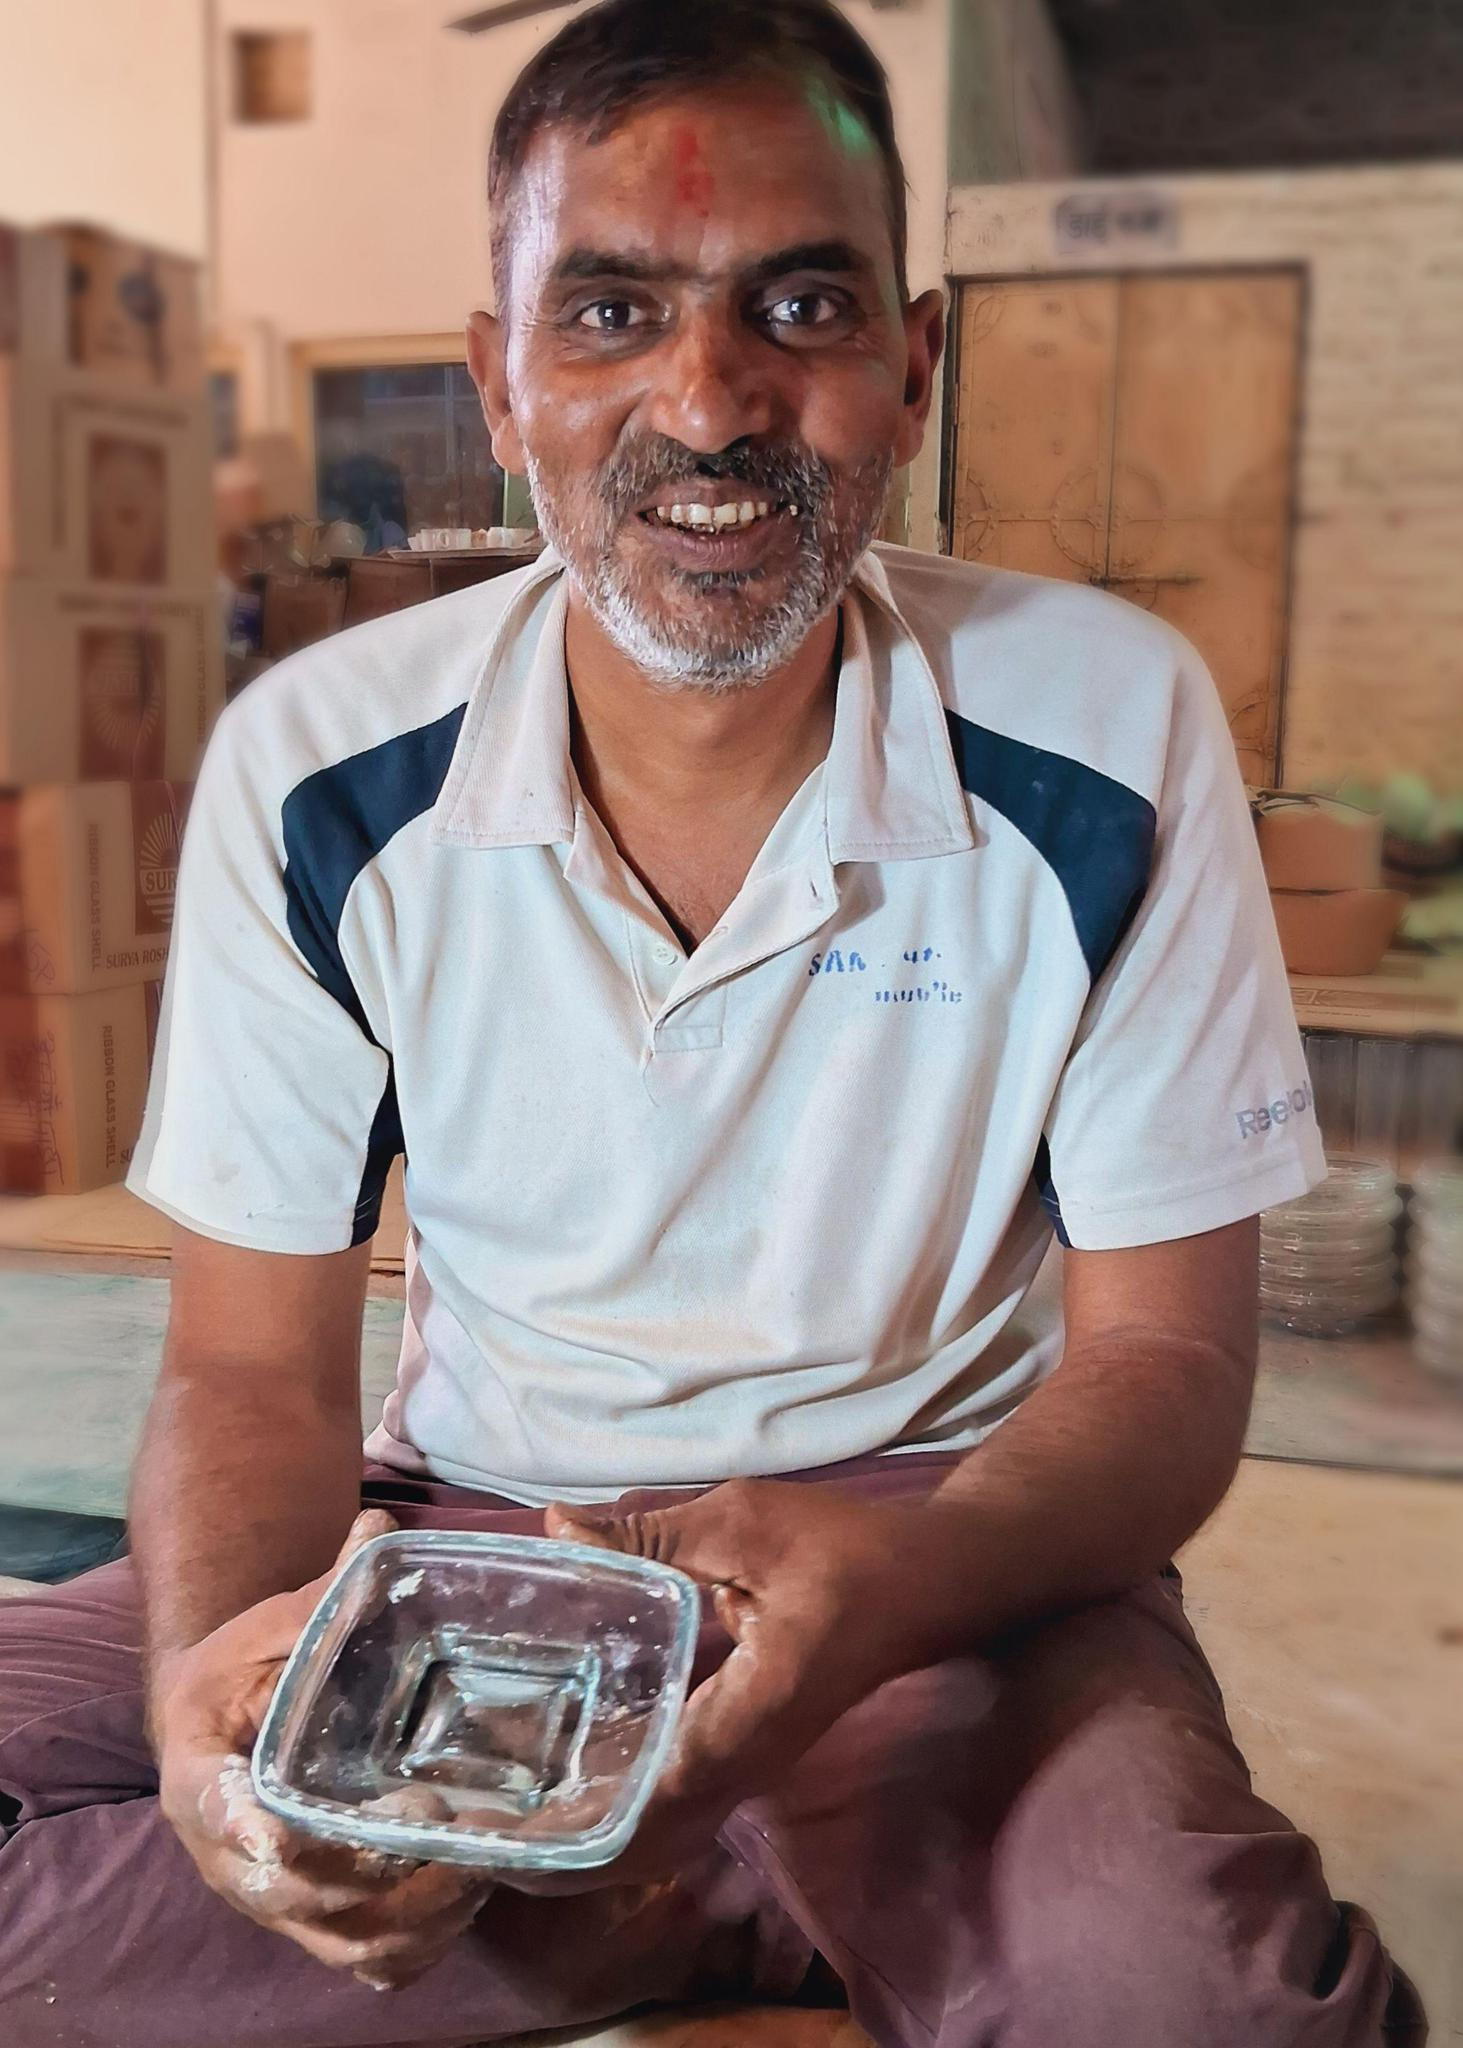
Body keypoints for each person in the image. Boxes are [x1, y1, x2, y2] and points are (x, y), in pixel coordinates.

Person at [0, 3, 1424, 2043]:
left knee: (1201, 2003)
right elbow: (248, 1364)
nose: (708, 398)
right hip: (459, 1547)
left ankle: (686, 1872)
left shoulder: (1101, 733)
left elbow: (1168, 1353)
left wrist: (888, 1602)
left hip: (940, 1545)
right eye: (606, 311)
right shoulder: (321, 772)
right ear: (498, 381)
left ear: (909, 365)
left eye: (802, 303)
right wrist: (225, 1719)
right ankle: (670, 1906)